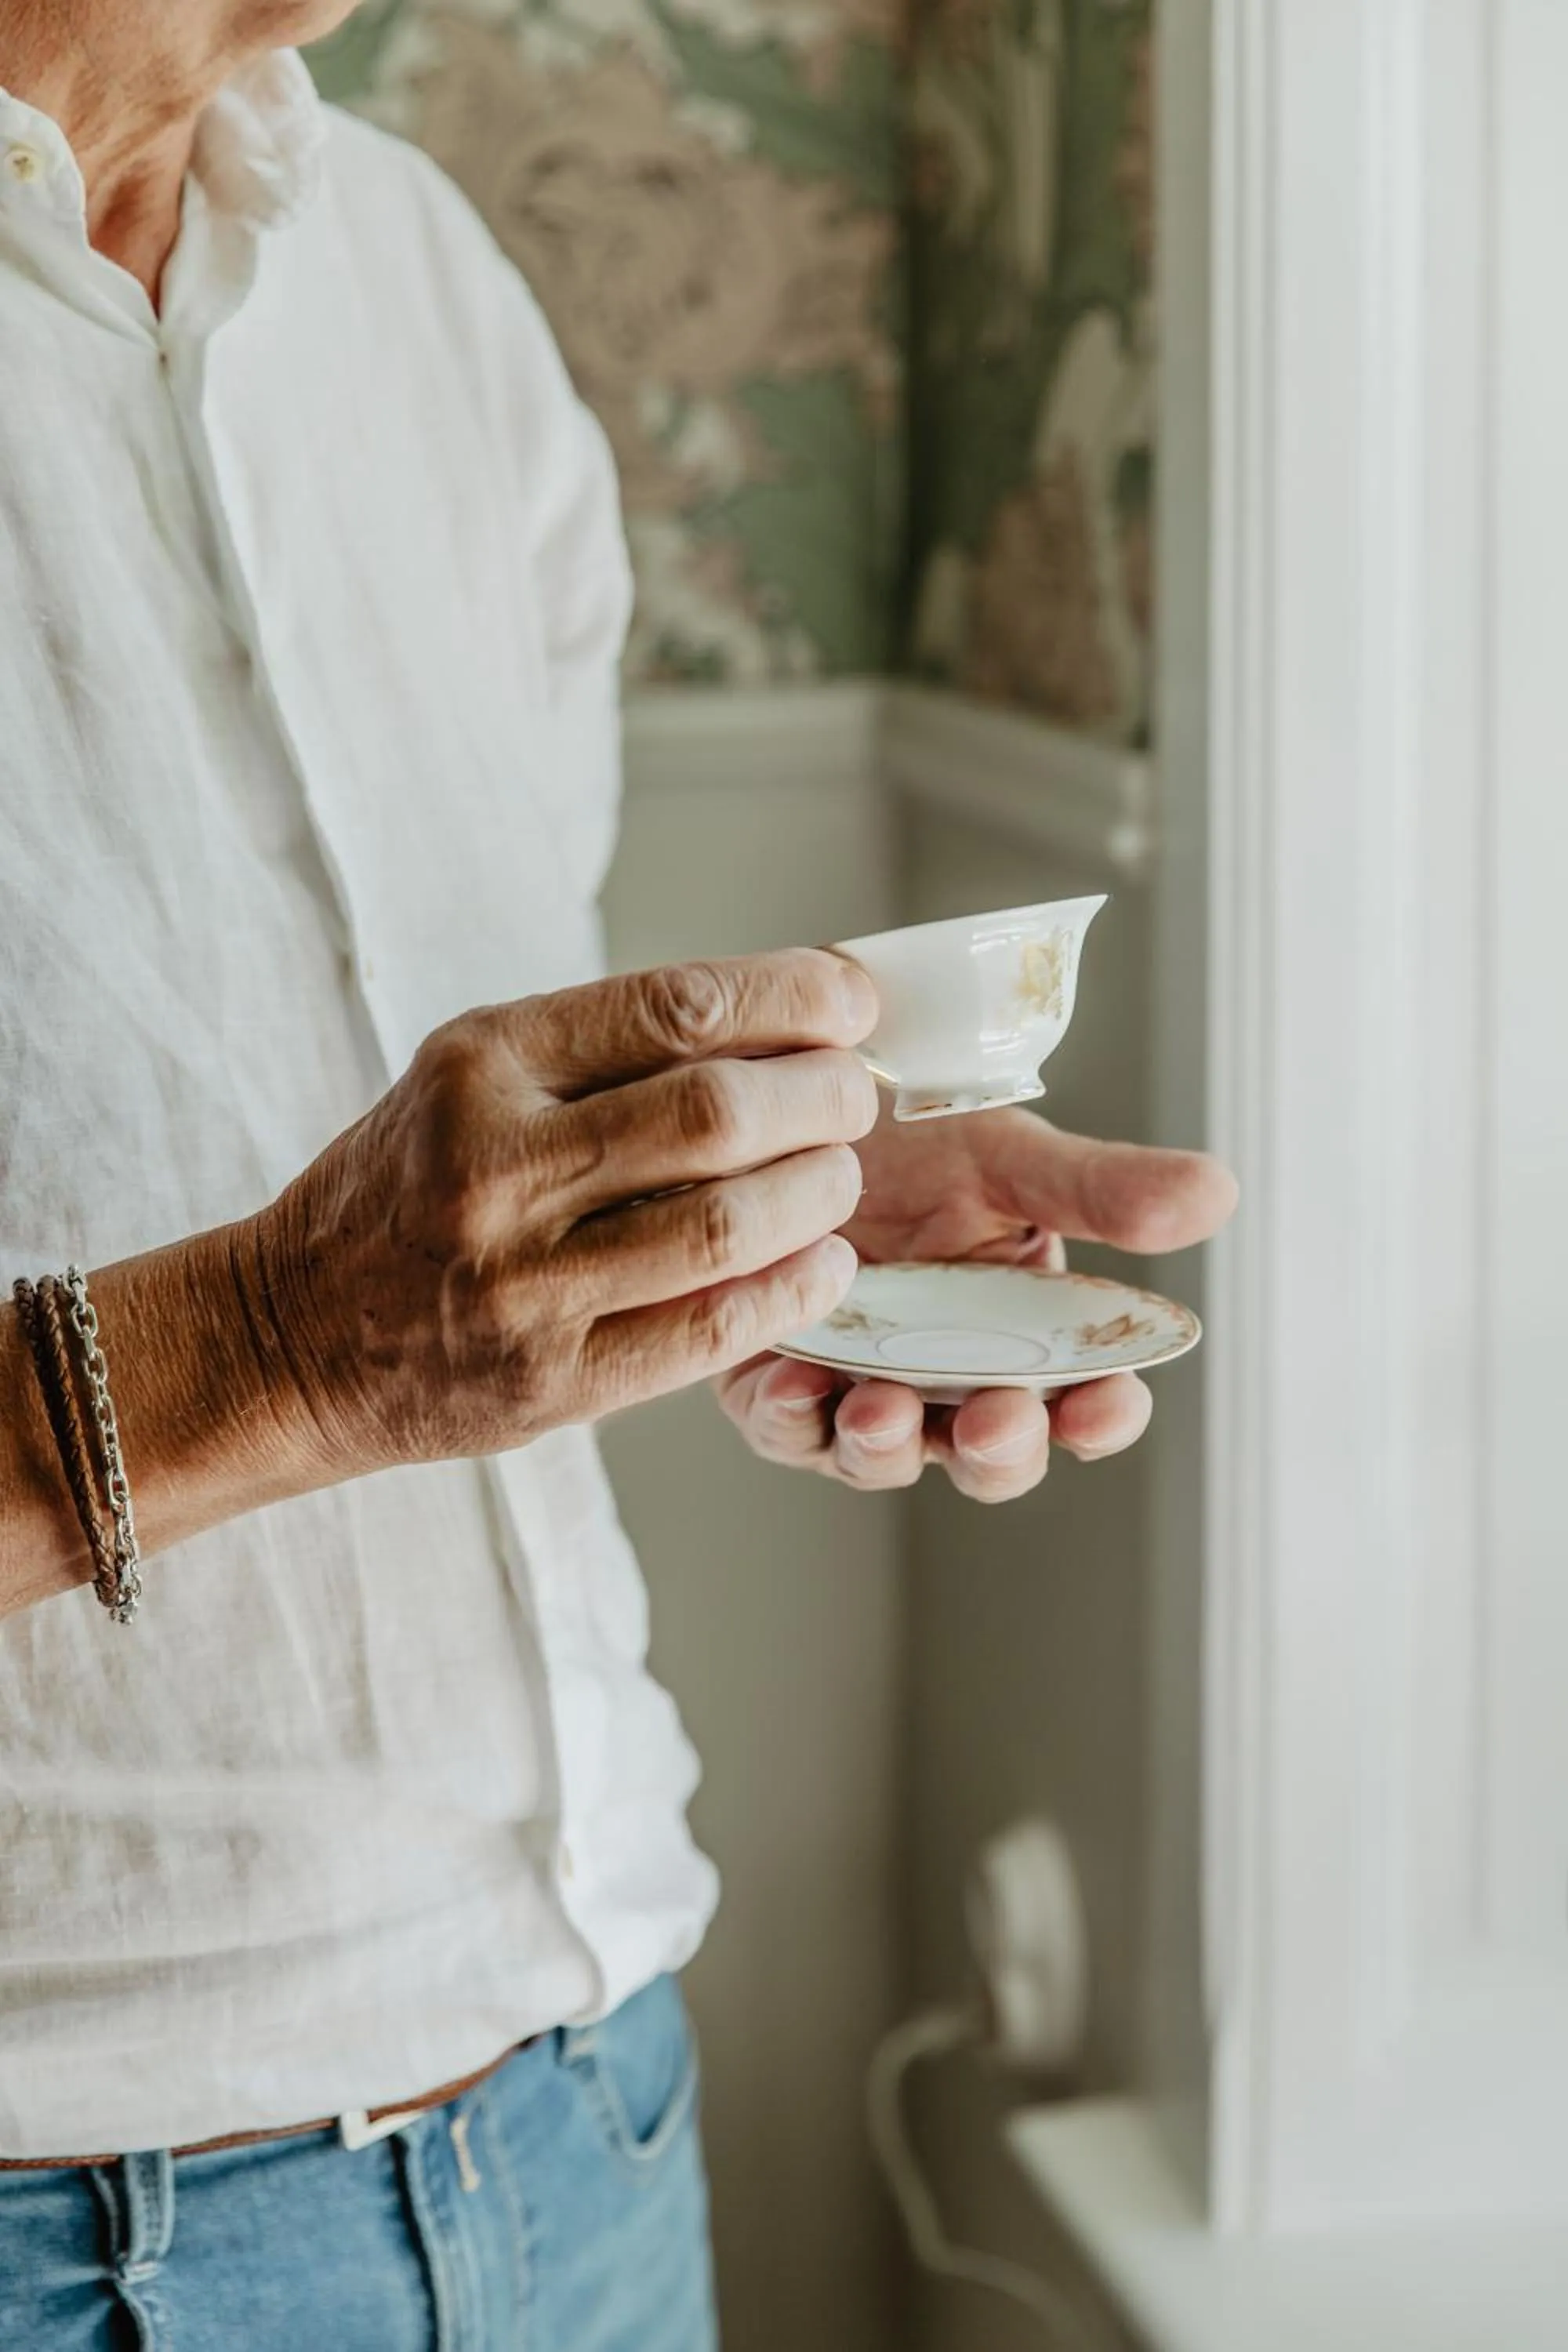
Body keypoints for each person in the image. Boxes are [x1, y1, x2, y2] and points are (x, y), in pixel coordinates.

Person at [0, 4, 1237, 2345]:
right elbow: (326, 1315)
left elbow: (376, 1166)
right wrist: (266, 1355)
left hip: (590, 2128)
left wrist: (752, 1230)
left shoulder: (422, 282)